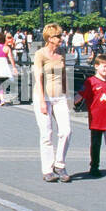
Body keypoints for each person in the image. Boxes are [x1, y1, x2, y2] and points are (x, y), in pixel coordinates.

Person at [33, 23, 72, 182]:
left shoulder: (62, 52)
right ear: (49, 38)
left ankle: (60, 164)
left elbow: (64, 75)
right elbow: (38, 78)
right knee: (47, 133)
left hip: (60, 97)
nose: (61, 39)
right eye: (58, 36)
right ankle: (47, 169)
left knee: (66, 131)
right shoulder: (40, 54)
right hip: (44, 96)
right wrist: (42, 100)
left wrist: (68, 95)